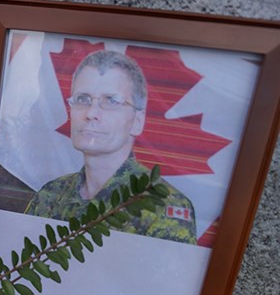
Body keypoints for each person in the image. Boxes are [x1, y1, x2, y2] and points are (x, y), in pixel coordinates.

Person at [25, 50, 197, 245]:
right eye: (82, 99)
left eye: (111, 101)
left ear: (137, 121)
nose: (91, 113)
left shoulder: (163, 206)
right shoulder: (50, 195)